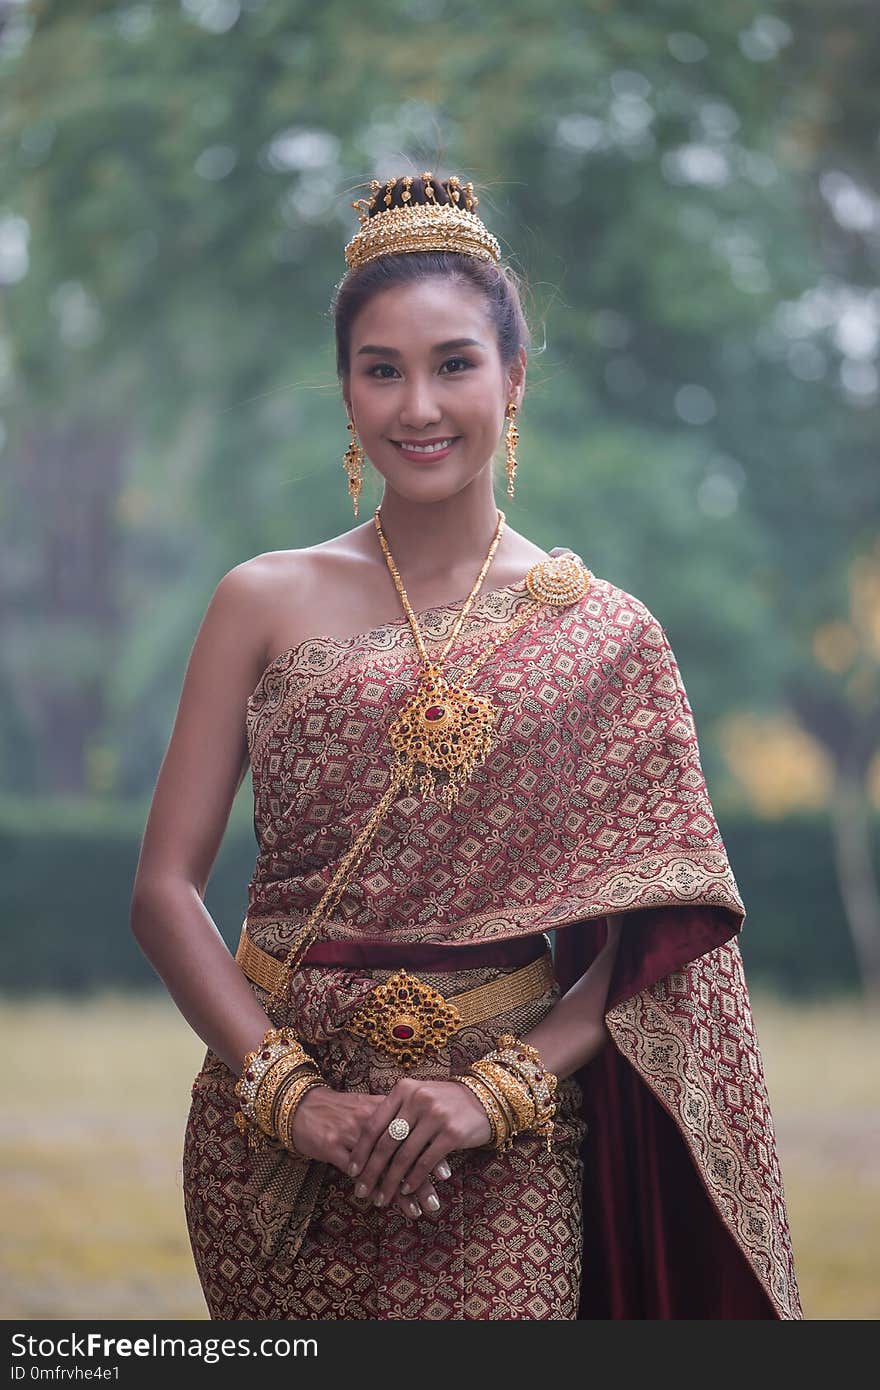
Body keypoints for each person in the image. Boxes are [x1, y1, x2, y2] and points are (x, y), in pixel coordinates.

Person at [131, 172, 803, 1320]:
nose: (416, 405)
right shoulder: (261, 599)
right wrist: (292, 1097)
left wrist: (496, 1093)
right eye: (379, 369)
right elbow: (163, 890)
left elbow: (665, 935)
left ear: (515, 376)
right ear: (343, 389)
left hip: (503, 1142)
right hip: (274, 1134)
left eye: (453, 363)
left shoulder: (601, 633)